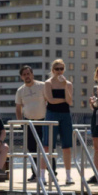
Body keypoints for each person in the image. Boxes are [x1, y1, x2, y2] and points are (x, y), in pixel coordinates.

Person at [42, 59, 75, 187]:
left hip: (65, 115)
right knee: (47, 146)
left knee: (67, 146)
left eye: (61, 69)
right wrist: (64, 100)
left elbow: (70, 101)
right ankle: (42, 176)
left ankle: (68, 176)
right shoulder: (48, 83)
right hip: (51, 114)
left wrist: (66, 86)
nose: (59, 71)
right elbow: (50, 100)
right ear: (52, 70)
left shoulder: (69, 84)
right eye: (57, 69)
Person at [15, 65, 49, 181]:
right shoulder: (20, 90)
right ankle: (35, 173)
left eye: (28, 74)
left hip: (43, 122)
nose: (26, 76)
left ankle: (52, 172)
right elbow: (18, 107)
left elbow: (49, 101)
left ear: (32, 74)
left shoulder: (42, 86)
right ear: (21, 77)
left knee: (46, 148)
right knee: (32, 149)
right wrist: (21, 122)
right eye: (24, 74)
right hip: (29, 124)